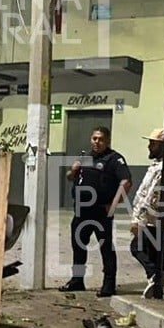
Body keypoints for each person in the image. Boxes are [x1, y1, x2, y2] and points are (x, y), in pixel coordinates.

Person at [59, 126, 133, 297]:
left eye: (100, 139)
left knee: (105, 248)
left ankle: (109, 284)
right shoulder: (85, 157)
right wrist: (73, 170)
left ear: (107, 141)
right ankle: (77, 280)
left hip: (101, 213)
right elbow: (70, 177)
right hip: (81, 212)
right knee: (78, 247)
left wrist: (113, 206)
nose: (97, 142)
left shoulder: (114, 159)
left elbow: (126, 182)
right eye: (94, 138)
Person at [130, 128, 164, 299]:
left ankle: (155, 276)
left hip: (155, 218)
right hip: (162, 218)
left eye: (153, 144)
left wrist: (138, 220)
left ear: (162, 145)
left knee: (137, 248)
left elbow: (153, 195)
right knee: (156, 252)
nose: (149, 147)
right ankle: (158, 276)